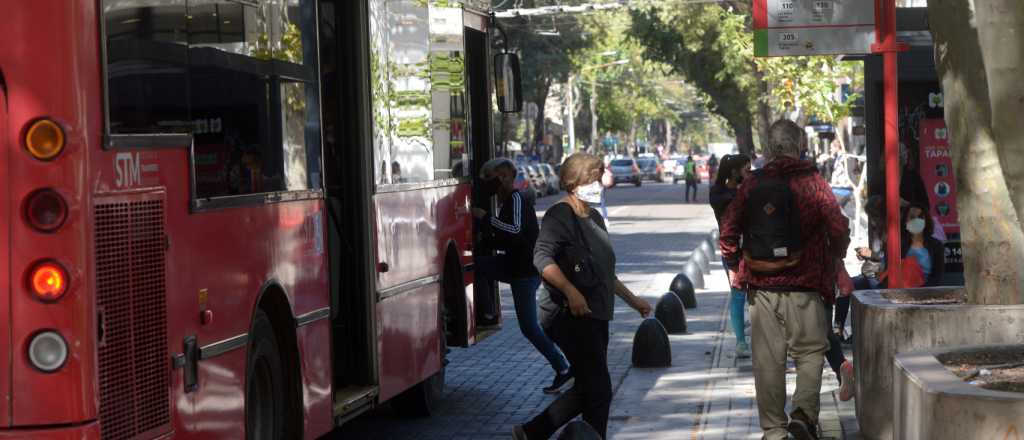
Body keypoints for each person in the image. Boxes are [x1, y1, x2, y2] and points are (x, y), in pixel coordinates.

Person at [720, 119, 850, 440]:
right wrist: (838, 253)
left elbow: (728, 231)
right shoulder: (812, 182)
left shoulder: (751, 183)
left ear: (768, 146)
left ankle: (774, 432)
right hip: (806, 286)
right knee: (809, 352)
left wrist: (736, 265)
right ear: (799, 144)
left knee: (768, 362)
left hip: (761, 287)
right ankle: (803, 415)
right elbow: (838, 225)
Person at [513, 153, 652, 440]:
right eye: (592, 178)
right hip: (569, 315)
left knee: (590, 386)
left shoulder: (594, 216)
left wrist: (633, 300)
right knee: (598, 388)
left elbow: (604, 272)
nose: (598, 184)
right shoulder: (559, 214)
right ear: (574, 181)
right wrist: (571, 291)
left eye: (599, 178)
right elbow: (541, 258)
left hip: (596, 314)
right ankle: (577, 435)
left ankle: (532, 432)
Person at [473, 158, 573, 394]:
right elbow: (507, 236)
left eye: (496, 178)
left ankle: (563, 368)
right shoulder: (508, 201)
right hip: (514, 266)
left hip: (524, 271)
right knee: (477, 266)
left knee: (529, 327)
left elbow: (514, 230)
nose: (494, 183)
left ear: (507, 177)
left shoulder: (517, 199)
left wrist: (485, 218)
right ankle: (486, 311)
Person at [709, 154, 753, 358]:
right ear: (734, 172)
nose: (750, 172)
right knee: (737, 294)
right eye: (746, 169)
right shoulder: (720, 195)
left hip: (753, 249)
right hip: (732, 251)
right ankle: (741, 342)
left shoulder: (745, 190)